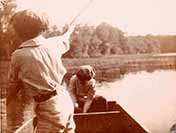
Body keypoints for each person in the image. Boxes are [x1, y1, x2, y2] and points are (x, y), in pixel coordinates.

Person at [7, 9, 75, 133]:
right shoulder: (53, 44)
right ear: (42, 27)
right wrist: (69, 30)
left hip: (50, 108)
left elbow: (13, 86)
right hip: (65, 100)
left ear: (18, 31)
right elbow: (64, 38)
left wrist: (9, 107)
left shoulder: (19, 55)